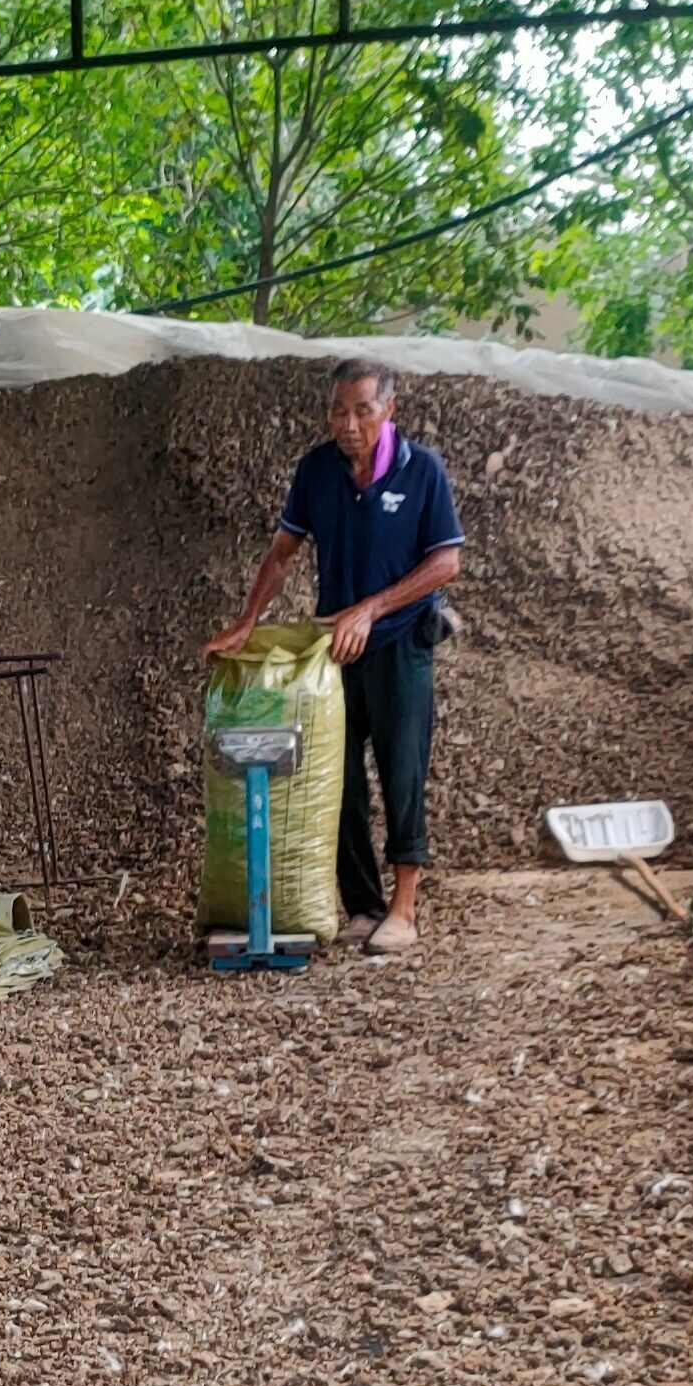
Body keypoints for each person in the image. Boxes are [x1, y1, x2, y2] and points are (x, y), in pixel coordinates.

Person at [208, 357, 462, 957]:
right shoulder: (316, 471)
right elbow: (282, 552)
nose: (348, 423)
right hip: (334, 653)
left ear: (389, 410)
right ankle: (364, 905)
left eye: (362, 411)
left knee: (403, 773)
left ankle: (403, 909)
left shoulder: (422, 470)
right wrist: (246, 623)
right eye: (338, 411)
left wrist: (371, 609)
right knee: (337, 778)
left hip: (401, 644)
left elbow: (445, 563)